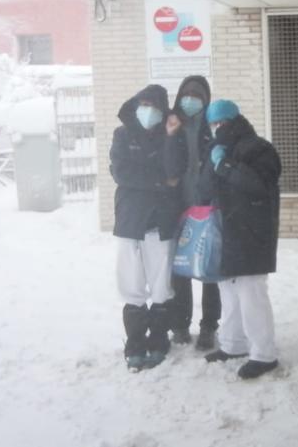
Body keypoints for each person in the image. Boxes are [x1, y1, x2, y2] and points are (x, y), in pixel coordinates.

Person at [198, 99, 283, 380]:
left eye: (222, 122)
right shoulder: (214, 149)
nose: (217, 128)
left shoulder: (259, 148)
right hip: (226, 230)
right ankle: (233, 344)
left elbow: (257, 186)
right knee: (229, 290)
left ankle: (263, 354)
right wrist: (214, 165)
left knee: (251, 291)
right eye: (213, 123)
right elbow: (206, 188)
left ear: (236, 120)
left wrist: (225, 165)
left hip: (252, 230)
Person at [109, 84, 185, 371]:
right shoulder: (122, 134)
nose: (148, 109)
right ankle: (135, 343)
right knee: (131, 284)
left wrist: (169, 136)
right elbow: (121, 172)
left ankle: (158, 339)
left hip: (161, 221)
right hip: (130, 221)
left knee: (161, 284)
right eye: (143, 103)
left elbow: (174, 171)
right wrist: (158, 183)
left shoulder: (170, 136)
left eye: (154, 105)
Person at [167, 75, 222, 350]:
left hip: (207, 206)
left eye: (197, 95)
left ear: (206, 99)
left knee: (210, 267)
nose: (191, 99)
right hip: (178, 208)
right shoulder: (171, 124)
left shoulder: (212, 126)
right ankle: (179, 325)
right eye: (186, 94)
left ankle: (209, 327)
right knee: (180, 270)